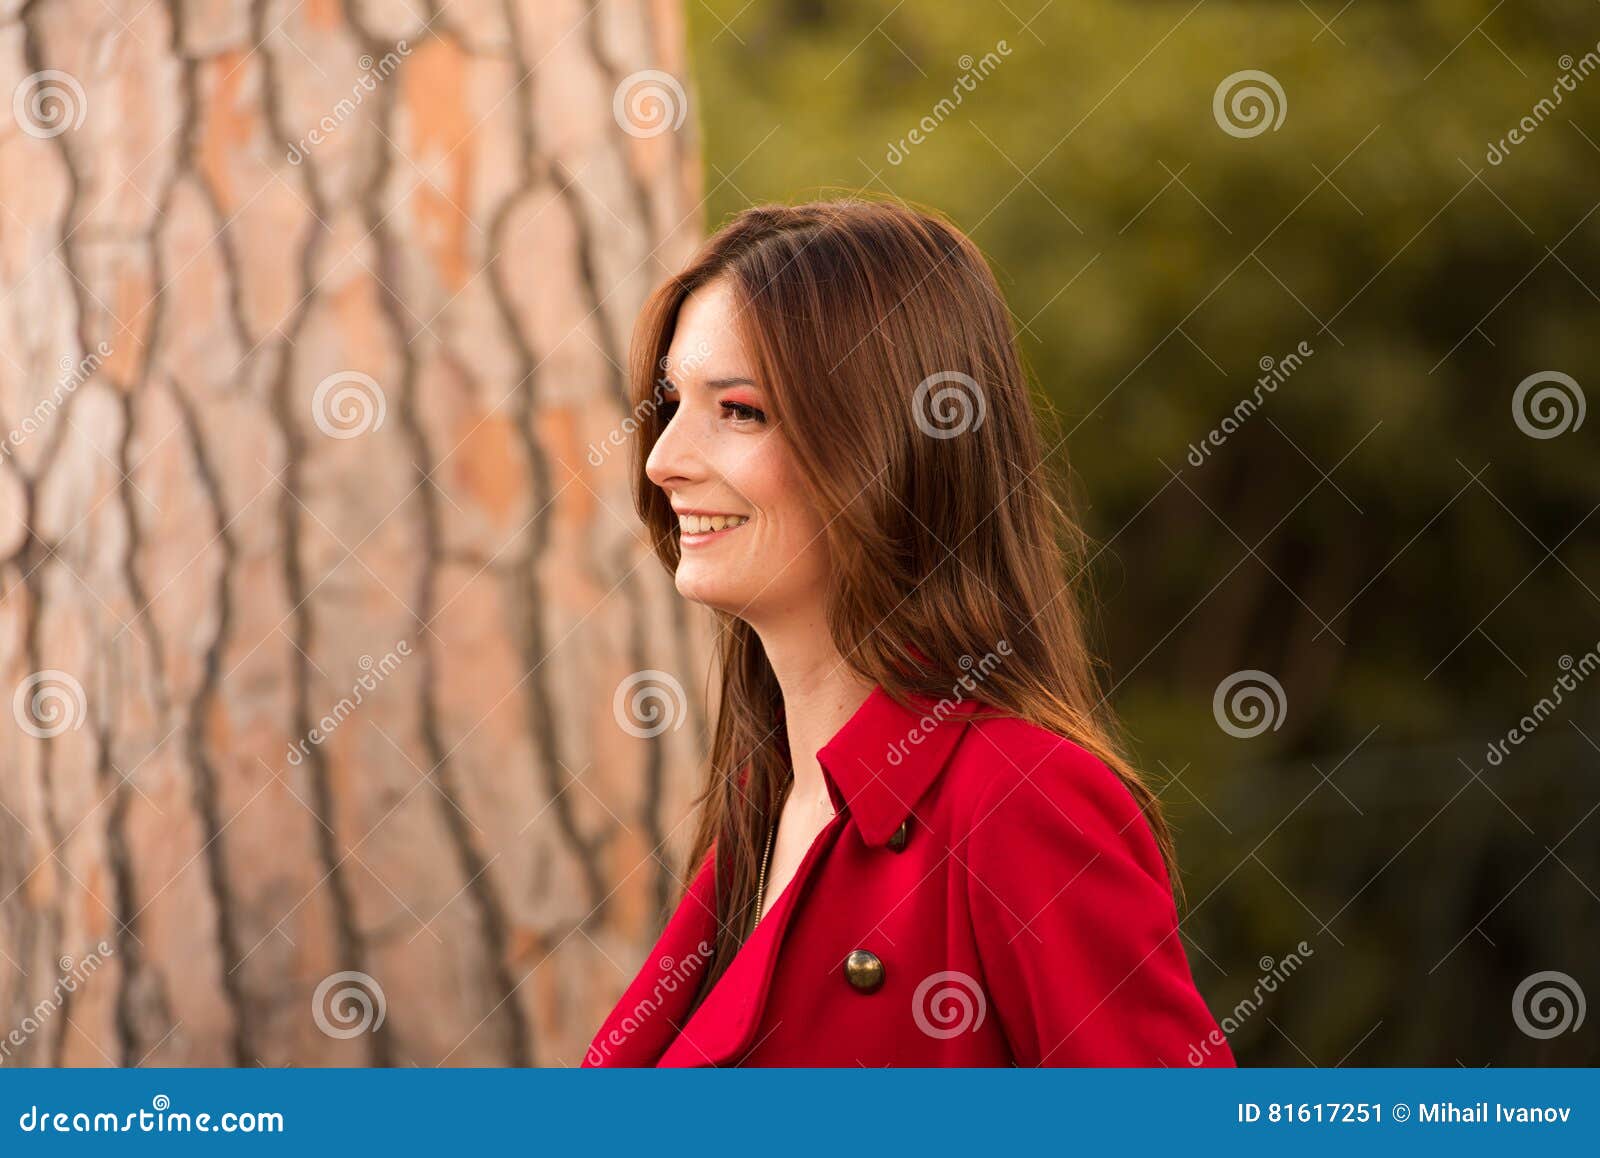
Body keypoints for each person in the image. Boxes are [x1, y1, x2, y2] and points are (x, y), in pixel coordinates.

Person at [584, 199, 1233, 1067]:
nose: (664, 458)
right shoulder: (765, 797)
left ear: (885, 444)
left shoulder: (1021, 797)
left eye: (738, 411)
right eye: (670, 404)